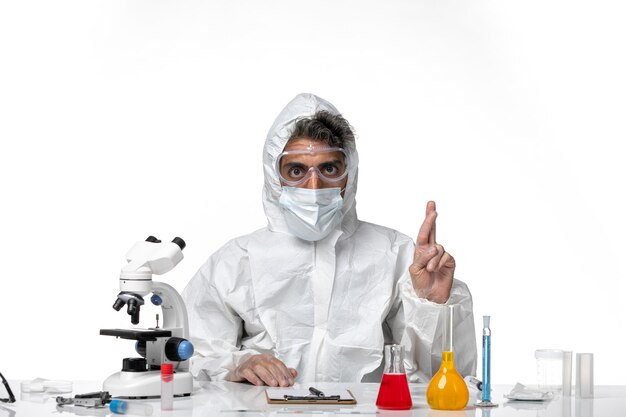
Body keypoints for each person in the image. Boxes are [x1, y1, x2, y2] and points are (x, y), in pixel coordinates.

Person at [182, 93, 477, 386]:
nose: (313, 186)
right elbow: (188, 356)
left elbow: (443, 381)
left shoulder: (397, 256)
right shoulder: (235, 261)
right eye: (296, 170)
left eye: (329, 169)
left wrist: (433, 306)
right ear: (274, 177)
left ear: (349, 175)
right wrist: (239, 365)